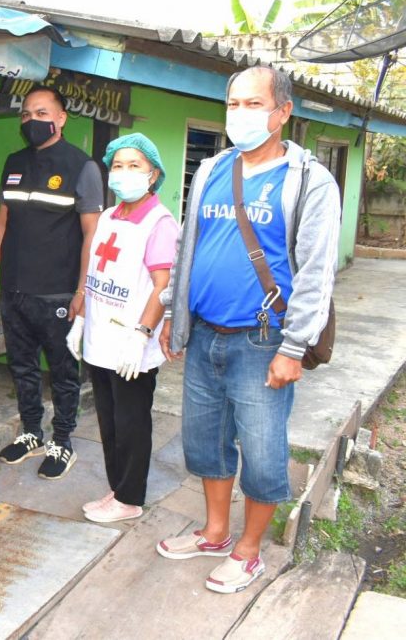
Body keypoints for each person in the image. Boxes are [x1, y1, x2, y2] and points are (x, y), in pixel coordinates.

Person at [156, 67, 341, 594]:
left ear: (283, 112)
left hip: (264, 340)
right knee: (206, 442)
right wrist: (173, 313)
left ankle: (249, 550)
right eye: (232, 104)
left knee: (261, 451)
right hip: (205, 333)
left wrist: (294, 348)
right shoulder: (213, 169)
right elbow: (187, 247)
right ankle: (215, 533)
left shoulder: (309, 181)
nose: (239, 114)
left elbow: (316, 271)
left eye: (253, 104)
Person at [0, 85, 104, 479]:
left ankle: (62, 441)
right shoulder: (14, 162)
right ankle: (31, 432)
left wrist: (82, 290)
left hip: (58, 292)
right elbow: (2, 223)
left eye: (42, 113)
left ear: (61, 118)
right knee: (22, 366)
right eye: (27, 113)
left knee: (63, 372)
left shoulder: (82, 167)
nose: (32, 120)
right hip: (14, 288)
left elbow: (92, 235)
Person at [66, 133, 179, 523]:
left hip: (131, 344)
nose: (124, 172)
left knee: (131, 423)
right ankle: (117, 489)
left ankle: (130, 498)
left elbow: (163, 286)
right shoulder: (109, 217)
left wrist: (142, 334)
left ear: (153, 174)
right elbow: (96, 273)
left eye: (135, 165)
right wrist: (82, 319)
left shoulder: (159, 223)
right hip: (101, 339)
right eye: (117, 165)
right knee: (109, 421)